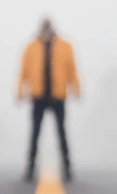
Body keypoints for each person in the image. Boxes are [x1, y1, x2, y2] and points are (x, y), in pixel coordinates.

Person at [17, 18, 80, 182]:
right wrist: (20, 91)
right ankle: (30, 168)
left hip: (58, 95)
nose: (45, 31)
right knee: (35, 132)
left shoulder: (65, 46)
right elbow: (24, 71)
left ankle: (67, 168)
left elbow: (71, 69)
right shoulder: (31, 47)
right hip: (38, 95)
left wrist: (76, 88)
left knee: (61, 132)